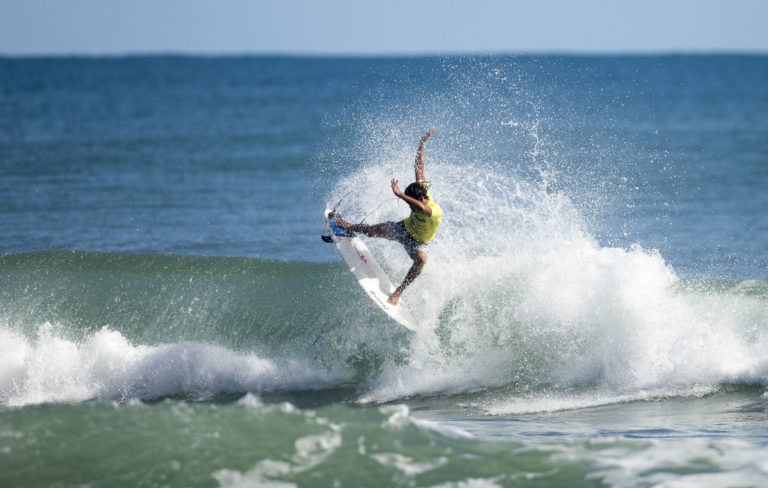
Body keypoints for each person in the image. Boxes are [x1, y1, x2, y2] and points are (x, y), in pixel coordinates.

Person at [333, 129, 442, 305]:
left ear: (422, 199)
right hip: (403, 229)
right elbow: (419, 167)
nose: (411, 208)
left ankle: (398, 293)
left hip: (418, 242)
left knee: (421, 260)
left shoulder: (434, 211)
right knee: (370, 231)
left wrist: (399, 195)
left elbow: (421, 208)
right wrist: (422, 143)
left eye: (412, 205)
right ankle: (349, 226)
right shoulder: (420, 190)